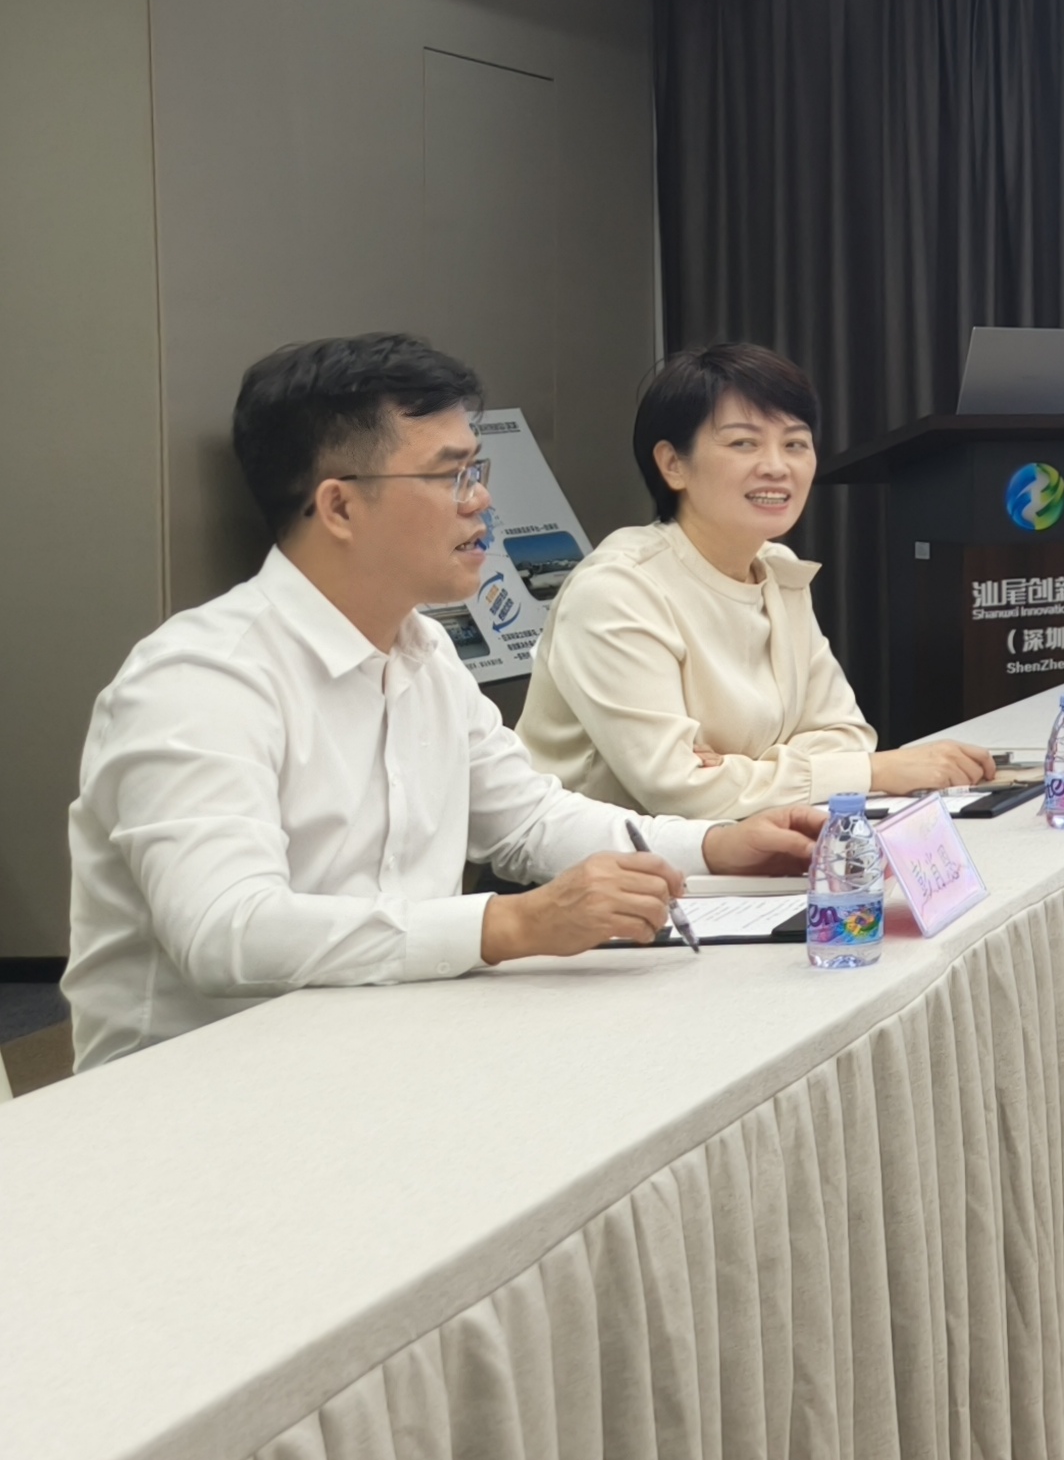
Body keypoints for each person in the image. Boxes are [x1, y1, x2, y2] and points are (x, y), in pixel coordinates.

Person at [65, 336, 821, 1070]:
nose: (482, 500)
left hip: (393, 1047)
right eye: (451, 476)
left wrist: (720, 845)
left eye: (477, 470)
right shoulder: (201, 679)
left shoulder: (423, 650)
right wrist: (508, 923)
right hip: (202, 1088)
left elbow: (529, 821)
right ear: (339, 506)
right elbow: (227, 932)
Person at [520, 342, 993, 817]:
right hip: (609, 857)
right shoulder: (617, 589)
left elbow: (847, 734)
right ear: (673, 464)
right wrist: (868, 772)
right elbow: (677, 789)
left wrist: (736, 773)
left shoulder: (777, 568)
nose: (777, 466)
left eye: (795, 444)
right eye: (743, 443)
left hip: (749, 839)